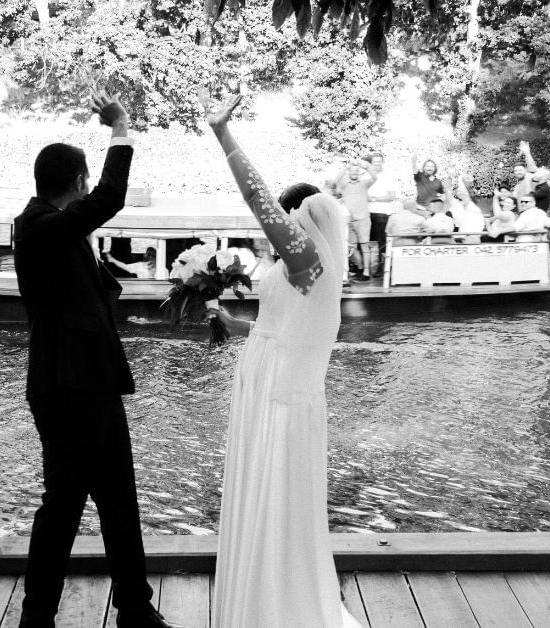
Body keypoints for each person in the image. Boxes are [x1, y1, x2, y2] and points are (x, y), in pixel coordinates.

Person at [12, 91, 178, 628]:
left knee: (118, 499)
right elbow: (110, 198)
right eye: (87, 183)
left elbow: (91, 292)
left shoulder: (57, 231)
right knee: (62, 506)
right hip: (67, 387)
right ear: (79, 182)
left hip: (94, 383)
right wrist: (121, 129)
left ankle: (134, 608)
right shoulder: (38, 225)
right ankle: (36, 618)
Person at [200, 94, 362, 628]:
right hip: (267, 382)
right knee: (266, 497)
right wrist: (235, 324)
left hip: (280, 399)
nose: (281, 229)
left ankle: (272, 610)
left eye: (288, 221)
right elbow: (280, 330)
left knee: (277, 501)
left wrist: (225, 134)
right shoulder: (307, 275)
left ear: (303, 223)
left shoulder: (309, 262)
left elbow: (255, 195)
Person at [331, 160, 374, 281]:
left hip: (363, 219)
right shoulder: (344, 184)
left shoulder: (364, 183)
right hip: (349, 221)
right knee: (350, 247)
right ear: (349, 172)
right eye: (352, 170)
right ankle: (360, 267)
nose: (354, 172)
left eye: (357, 171)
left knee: (364, 245)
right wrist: (346, 167)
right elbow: (336, 179)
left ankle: (366, 272)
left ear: (359, 173)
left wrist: (366, 166)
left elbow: (374, 177)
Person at [366, 153, 401, 275]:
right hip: (367, 213)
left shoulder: (388, 176)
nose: (377, 163)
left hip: (382, 213)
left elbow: (391, 196)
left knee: (381, 242)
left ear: (382, 162)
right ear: (371, 163)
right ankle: (369, 270)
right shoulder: (366, 176)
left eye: (379, 161)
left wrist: (374, 198)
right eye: (374, 161)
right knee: (369, 242)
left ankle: (382, 270)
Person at [449, 177, 486, 244]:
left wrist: (460, 179)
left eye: (459, 191)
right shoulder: (460, 207)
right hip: (464, 237)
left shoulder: (471, 206)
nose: (458, 193)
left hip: (471, 238)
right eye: (457, 191)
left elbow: (465, 195)